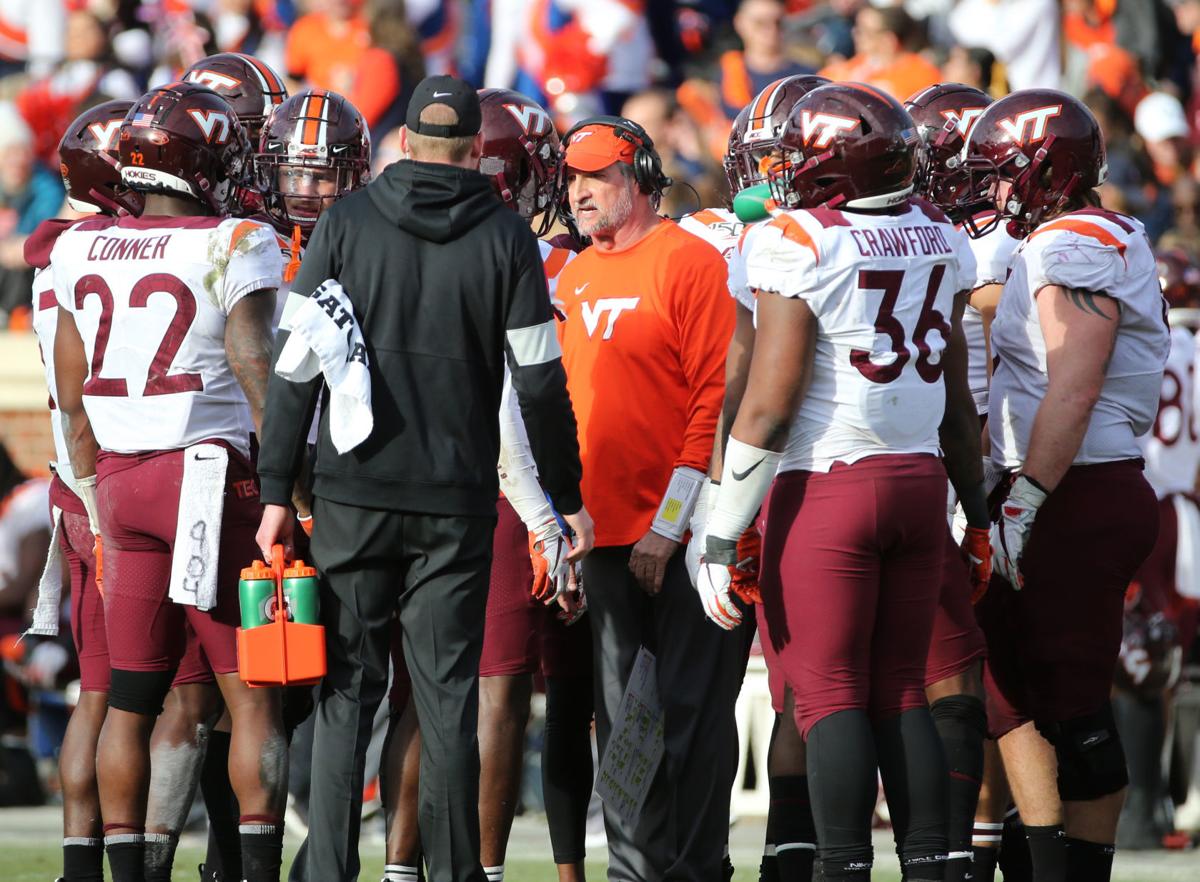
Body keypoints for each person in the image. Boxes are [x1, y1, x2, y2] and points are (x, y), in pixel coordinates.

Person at [254, 74, 591, 882]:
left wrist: (274, 493)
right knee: (447, 705)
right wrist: (569, 498)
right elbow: (541, 382)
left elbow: (294, 369)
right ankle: (454, 875)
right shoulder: (509, 237)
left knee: (346, 700)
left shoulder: (343, 221)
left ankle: (329, 871)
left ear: (403, 144)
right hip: (455, 504)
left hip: (351, 496)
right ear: (477, 151)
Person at [699, 82, 989, 882]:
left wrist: (721, 532)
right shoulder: (940, 233)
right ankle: (930, 866)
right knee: (901, 689)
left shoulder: (800, 240)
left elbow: (767, 404)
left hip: (828, 484)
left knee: (827, 697)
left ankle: (842, 867)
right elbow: (960, 407)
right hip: (919, 480)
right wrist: (979, 511)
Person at [52, 81, 290, 882]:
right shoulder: (235, 239)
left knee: (130, 698)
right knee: (252, 695)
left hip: (119, 482)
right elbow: (256, 363)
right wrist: (291, 484)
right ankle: (253, 868)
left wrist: (91, 496)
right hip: (208, 478)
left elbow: (73, 388)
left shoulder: (80, 246)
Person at [380, 86, 592, 882]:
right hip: (499, 493)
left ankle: (403, 866)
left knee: (418, 691)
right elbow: (516, 404)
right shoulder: (523, 253)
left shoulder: (394, 234)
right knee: (496, 691)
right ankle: (485, 870)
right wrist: (547, 517)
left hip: (402, 482)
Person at [963, 89, 1171, 882]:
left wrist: (1023, 500)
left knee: (1073, 702)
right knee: (1017, 695)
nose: (994, 190)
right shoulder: (1080, 235)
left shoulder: (1074, 244)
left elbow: (1072, 386)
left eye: (1003, 172)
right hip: (1060, 484)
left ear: (1046, 168)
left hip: (1071, 490)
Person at [556, 114, 740, 881]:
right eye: (572, 177)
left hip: (685, 533)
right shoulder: (571, 274)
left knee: (695, 717)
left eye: (597, 176)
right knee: (624, 724)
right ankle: (635, 872)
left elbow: (714, 402)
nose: (579, 191)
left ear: (638, 179)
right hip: (597, 534)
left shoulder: (691, 262)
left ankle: (700, 870)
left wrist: (671, 526)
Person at [905, 81, 1014, 882]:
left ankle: (959, 849)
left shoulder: (965, 240)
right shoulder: (954, 238)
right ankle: (960, 848)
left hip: (955, 456)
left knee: (967, 672)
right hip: (961, 459)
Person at [819, 6, 941, 101]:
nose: (856, 34)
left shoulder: (923, 74)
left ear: (888, 40)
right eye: (856, 28)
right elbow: (821, 87)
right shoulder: (851, 68)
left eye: (864, 30)